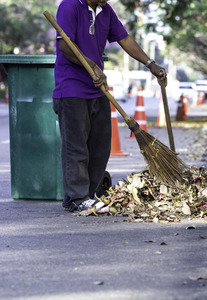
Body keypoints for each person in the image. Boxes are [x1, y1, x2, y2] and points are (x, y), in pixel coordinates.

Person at [52, 0, 167, 212]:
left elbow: (124, 38)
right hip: (71, 89)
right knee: (76, 147)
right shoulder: (69, 5)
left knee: (101, 145)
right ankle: (78, 198)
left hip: (98, 89)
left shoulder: (105, 11)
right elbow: (66, 46)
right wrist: (92, 66)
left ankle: (85, 195)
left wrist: (150, 64)